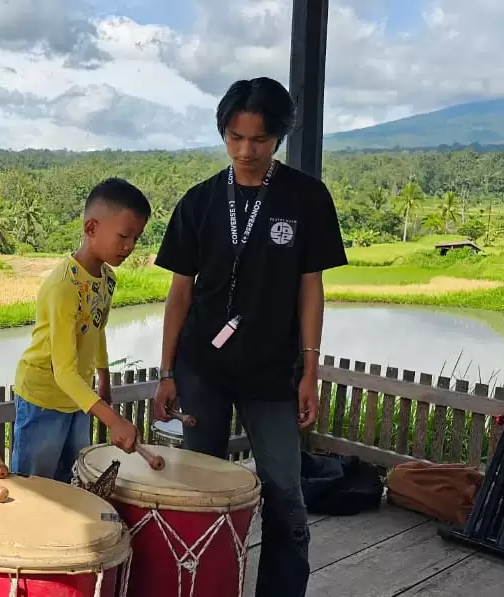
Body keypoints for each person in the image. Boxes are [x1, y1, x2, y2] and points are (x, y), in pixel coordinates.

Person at [151, 76, 348, 597]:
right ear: (223, 134)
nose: (246, 151)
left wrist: (310, 369)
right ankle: (205, 587)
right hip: (202, 370)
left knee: (284, 490)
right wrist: (168, 372)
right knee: (201, 488)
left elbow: (310, 288)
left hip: (273, 372)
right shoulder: (199, 202)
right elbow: (179, 294)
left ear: (279, 137)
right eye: (235, 137)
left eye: (259, 139)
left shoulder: (306, 198)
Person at [9, 178, 150, 482]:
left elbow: (97, 328)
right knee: (35, 484)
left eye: (136, 238)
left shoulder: (107, 279)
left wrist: (104, 378)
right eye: (123, 235)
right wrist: (114, 421)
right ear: (91, 228)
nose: (130, 246)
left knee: (72, 479)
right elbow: (63, 372)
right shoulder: (64, 286)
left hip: (79, 397)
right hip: (44, 398)